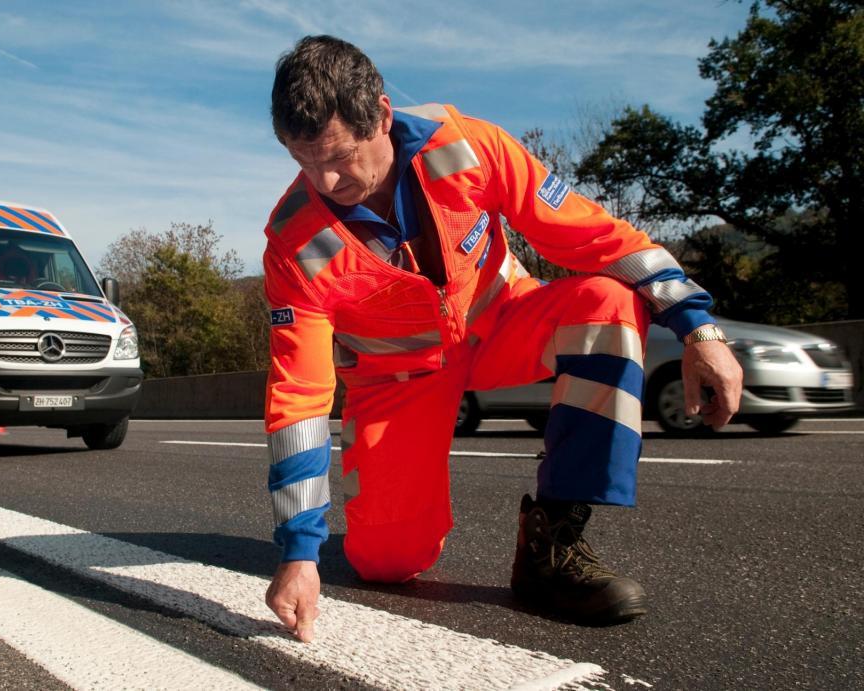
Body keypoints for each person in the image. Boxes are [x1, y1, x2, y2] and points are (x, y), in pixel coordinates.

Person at [261, 35, 743, 641]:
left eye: (341, 156)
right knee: (388, 562)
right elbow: (299, 397)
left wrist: (699, 326)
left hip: (500, 330)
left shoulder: (467, 145)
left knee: (608, 302)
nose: (326, 180)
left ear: (382, 116)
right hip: (399, 383)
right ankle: (376, 520)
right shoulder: (292, 243)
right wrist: (300, 552)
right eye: (305, 162)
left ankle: (552, 543)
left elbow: (593, 236)